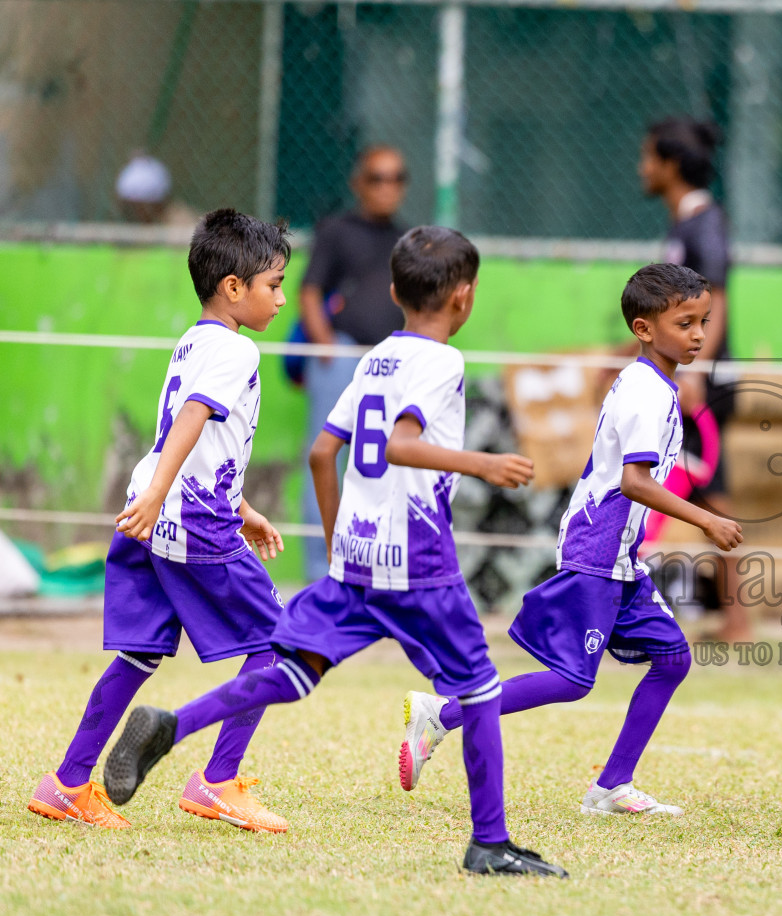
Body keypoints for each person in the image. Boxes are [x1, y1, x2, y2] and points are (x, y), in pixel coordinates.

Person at [102, 226, 567, 878]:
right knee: (482, 691)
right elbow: (401, 445)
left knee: (292, 673)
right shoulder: (444, 362)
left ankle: (175, 724)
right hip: (419, 562)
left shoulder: (375, 358)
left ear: (393, 291)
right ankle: (490, 842)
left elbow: (325, 451)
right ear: (465, 297)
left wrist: (339, 538)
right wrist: (483, 463)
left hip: (355, 562)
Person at [397, 264, 743, 816]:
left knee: (673, 657)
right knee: (569, 680)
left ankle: (611, 786)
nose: (699, 333)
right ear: (644, 328)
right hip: (597, 552)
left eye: (703, 321)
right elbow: (634, 481)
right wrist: (705, 520)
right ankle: (441, 715)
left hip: (622, 559)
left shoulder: (657, 384)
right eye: (685, 323)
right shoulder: (645, 392)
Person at [28, 209, 291, 832]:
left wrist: (242, 506)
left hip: (152, 509)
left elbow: (199, 439)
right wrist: (176, 496)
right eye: (273, 285)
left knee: (140, 655)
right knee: (277, 644)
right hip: (188, 518)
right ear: (234, 288)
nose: (280, 299)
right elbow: (195, 417)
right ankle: (217, 782)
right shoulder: (236, 349)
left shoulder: (193, 338)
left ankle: (67, 783)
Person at [639, 116, 750, 642]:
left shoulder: (706, 224)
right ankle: (734, 617)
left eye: (649, 158)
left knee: (715, 494)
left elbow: (717, 298)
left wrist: (698, 369)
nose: (642, 168)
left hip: (704, 383)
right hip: (688, 379)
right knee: (707, 494)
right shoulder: (683, 225)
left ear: (671, 165)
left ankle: (738, 619)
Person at [298, 145, 409, 581]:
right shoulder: (337, 231)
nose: (388, 187)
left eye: (397, 178)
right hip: (341, 356)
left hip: (387, 362)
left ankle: (372, 569)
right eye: (378, 178)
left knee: (383, 464)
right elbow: (309, 291)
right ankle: (318, 575)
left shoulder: (407, 238)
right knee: (325, 457)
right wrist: (325, 345)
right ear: (359, 183)